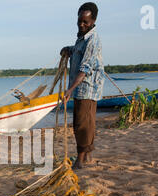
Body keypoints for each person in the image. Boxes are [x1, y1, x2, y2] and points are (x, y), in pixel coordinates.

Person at [61, 2, 104, 169]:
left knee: (82, 124)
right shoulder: (82, 38)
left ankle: (80, 160)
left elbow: (84, 68)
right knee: (86, 122)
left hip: (87, 88)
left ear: (93, 21)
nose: (81, 24)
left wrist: (69, 90)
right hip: (81, 88)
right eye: (80, 21)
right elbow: (78, 51)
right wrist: (68, 49)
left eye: (85, 22)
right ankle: (87, 156)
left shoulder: (93, 40)